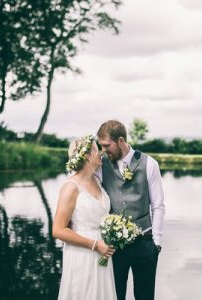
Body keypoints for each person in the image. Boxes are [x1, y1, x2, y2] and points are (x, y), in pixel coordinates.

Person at [97, 120, 165, 300]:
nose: (103, 150)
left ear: (120, 141)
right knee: (114, 295)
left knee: (145, 296)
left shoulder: (150, 164)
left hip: (144, 243)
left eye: (106, 145)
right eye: (100, 146)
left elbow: (158, 206)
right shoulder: (101, 165)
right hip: (114, 247)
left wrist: (156, 244)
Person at [53, 135, 117, 300]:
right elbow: (58, 230)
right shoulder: (70, 187)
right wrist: (95, 245)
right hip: (83, 252)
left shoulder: (96, 180)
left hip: (103, 252)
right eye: (97, 150)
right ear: (88, 156)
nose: (101, 153)